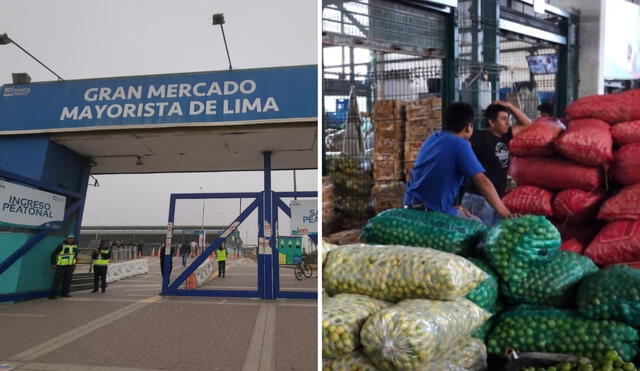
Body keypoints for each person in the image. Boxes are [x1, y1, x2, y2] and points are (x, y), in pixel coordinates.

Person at [404, 102, 514, 221]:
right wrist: (506, 214)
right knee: (478, 227)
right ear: (469, 127)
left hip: (411, 205)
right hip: (432, 212)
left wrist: (449, 208)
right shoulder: (460, 145)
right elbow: (482, 181)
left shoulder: (434, 138)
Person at [461, 102, 531, 226]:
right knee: (477, 240)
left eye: (508, 119)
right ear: (492, 122)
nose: (508, 123)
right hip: (478, 199)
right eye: (504, 119)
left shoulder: (506, 137)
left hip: (497, 200)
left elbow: (528, 125)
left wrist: (511, 106)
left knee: (491, 240)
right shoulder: (478, 137)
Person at [48, 233, 78, 299]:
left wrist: (75, 264)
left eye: (72, 238)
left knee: (68, 280)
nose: (71, 239)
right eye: (69, 238)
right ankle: (52, 295)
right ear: (67, 238)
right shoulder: (62, 245)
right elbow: (53, 254)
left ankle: (64, 293)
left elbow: (75, 256)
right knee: (57, 280)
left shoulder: (75, 246)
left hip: (70, 266)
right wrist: (53, 263)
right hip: (61, 266)